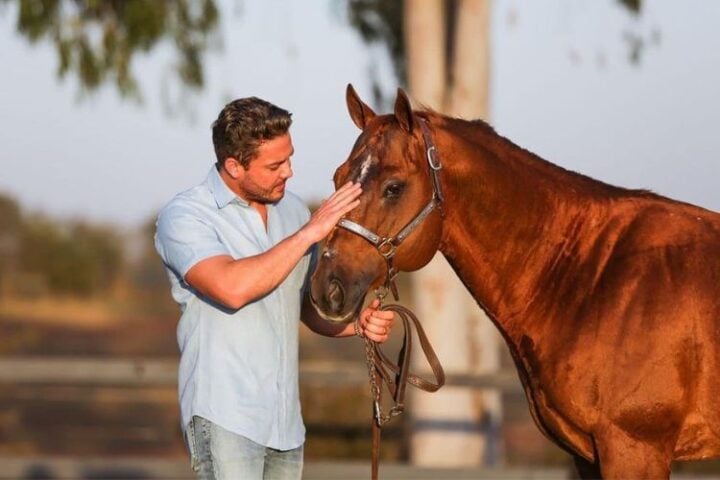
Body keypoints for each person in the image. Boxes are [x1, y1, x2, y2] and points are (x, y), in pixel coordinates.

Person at [154, 97, 395, 480]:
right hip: (224, 416)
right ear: (233, 166)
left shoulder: (294, 211)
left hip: (285, 424)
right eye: (274, 165)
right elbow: (231, 287)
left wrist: (357, 325)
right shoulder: (186, 216)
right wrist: (310, 233)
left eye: (289, 158)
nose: (289, 172)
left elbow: (303, 307)